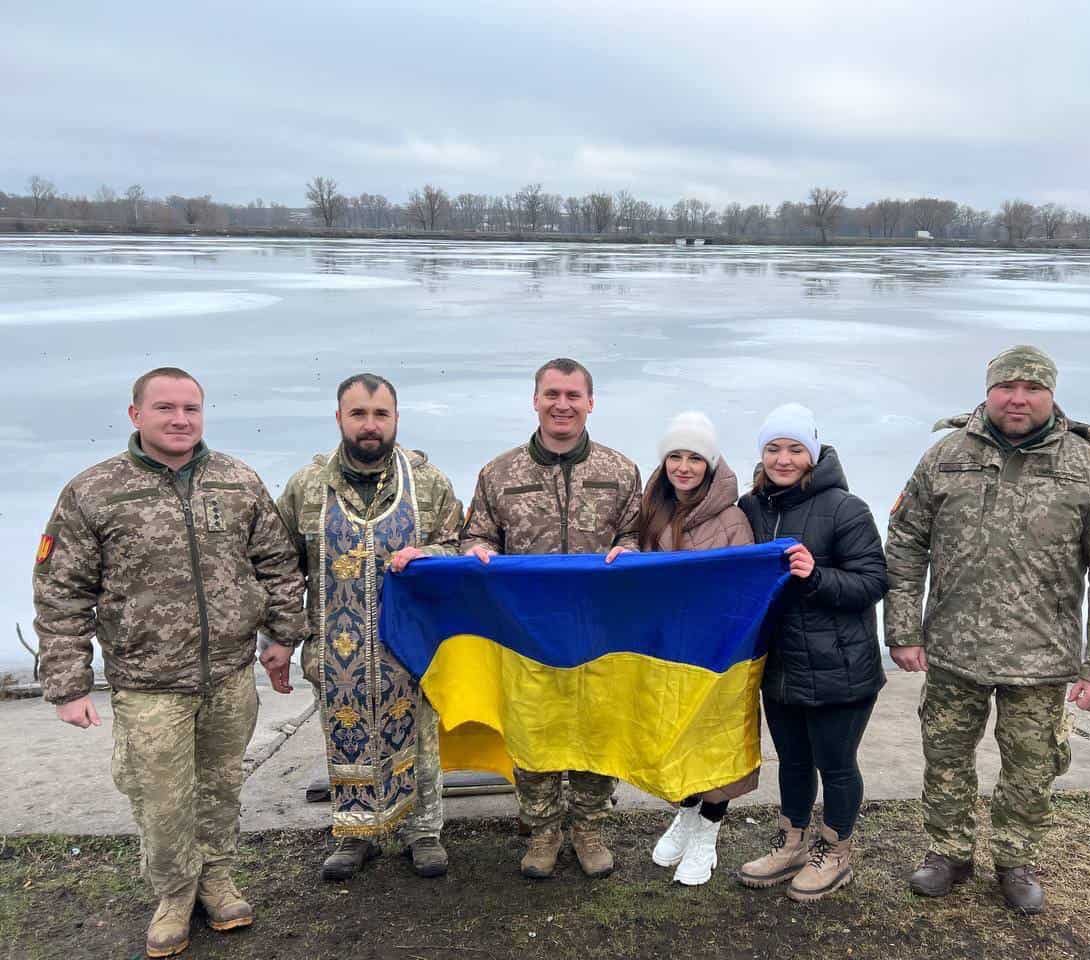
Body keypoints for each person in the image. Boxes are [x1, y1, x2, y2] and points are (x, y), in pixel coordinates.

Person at [32, 367, 306, 958]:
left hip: (231, 674)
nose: (180, 419)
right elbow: (61, 592)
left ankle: (218, 879)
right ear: (136, 415)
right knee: (160, 798)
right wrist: (68, 684)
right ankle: (174, 895)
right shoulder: (95, 491)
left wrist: (283, 634)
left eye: (191, 408)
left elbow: (278, 564)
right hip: (147, 681)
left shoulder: (237, 482)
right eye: (165, 408)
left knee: (220, 786)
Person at [884, 345, 1090, 914]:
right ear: (988, 390)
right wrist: (903, 631)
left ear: (1052, 394)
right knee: (945, 756)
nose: (1017, 399)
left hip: (1041, 657)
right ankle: (947, 853)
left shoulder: (1088, 466)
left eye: (1032, 389)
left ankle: (1015, 860)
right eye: (1007, 387)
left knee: (1031, 767)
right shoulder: (946, 456)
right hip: (953, 649)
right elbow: (905, 545)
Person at [272, 373, 463, 882]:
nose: (370, 425)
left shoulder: (428, 483)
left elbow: (462, 546)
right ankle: (356, 835)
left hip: (411, 646)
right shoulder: (307, 486)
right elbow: (279, 565)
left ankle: (423, 833)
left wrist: (429, 554)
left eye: (381, 414)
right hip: (337, 650)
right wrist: (281, 638)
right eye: (359, 414)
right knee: (345, 737)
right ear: (339, 418)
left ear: (397, 418)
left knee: (420, 741)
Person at [461, 357, 641, 880]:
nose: (562, 405)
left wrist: (629, 550)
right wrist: (475, 551)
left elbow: (636, 536)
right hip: (526, 629)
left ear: (591, 402)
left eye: (573, 395)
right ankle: (541, 830)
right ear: (535, 400)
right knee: (533, 728)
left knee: (595, 729)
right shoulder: (499, 473)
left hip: (598, 628)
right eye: (552, 394)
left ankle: (588, 827)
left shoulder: (619, 470)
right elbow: (477, 534)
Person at [735, 403, 888, 902]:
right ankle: (792, 842)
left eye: (795, 448)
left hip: (840, 665)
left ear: (813, 453)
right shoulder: (752, 507)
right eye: (774, 448)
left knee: (836, 764)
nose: (783, 458)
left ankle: (836, 850)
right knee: (794, 763)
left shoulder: (847, 508)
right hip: (779, 664)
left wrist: (816, 575)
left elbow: (872, 581)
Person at [633, 412, 755, 886]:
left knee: (715, 739)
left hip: (718, 651)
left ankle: (709, 829)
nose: (684, 467)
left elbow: (744, 585)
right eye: (675, 457)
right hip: (667, 647)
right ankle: (684, 815)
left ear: (711, 463)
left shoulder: (732, 519)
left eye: (694, 458)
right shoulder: (652, 511)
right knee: (675, 735)